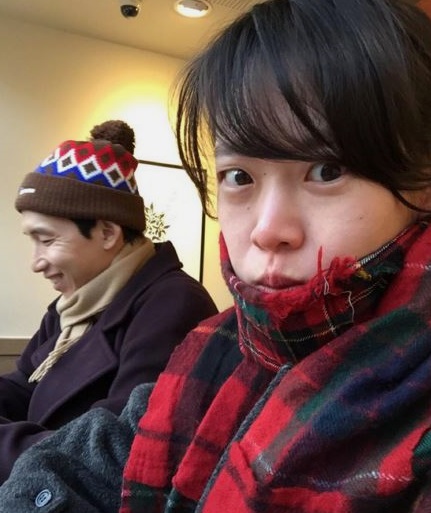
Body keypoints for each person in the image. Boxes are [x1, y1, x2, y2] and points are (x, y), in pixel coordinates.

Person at [3, 0, 431, 511]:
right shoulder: (218, 347)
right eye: (239, 177)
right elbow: (80, 459)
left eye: (327, 171)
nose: (268, 230)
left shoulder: (174, 306)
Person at [0, 120, 217, 484]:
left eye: (47, 240)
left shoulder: (174, 306)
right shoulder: (70, 309)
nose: (35, 262)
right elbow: (24, 384)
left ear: (107, 233)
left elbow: (111, 451)